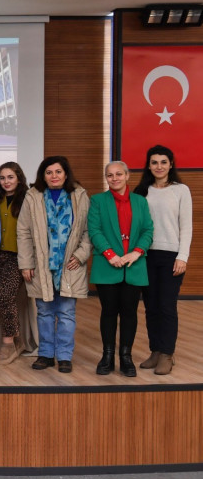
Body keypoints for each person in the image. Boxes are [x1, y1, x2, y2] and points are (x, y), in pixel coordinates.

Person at [17, 156, 91, 374]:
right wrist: (26, 263)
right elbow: (23, 232)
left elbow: (88, 230)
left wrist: (81, 255)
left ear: (66, 174)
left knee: (67, 313)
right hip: (41, 264)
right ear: (43, 175)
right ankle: (46, 354)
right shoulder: (33, 196)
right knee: (44, 311)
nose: (54, 176)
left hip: (70, 264)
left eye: (58, 172)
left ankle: (65, 356)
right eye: (49, 172)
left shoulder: (79, 195)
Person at [88, 161, 153, 377]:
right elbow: (94, 230)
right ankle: (107, 356)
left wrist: (137, 251)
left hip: (134, 265)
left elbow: (148, 230)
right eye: (109, 175)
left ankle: (126, 356)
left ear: (127, 176)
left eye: (118, 174)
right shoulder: (97, 201)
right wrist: (110, 255)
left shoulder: (140, 201)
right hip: (108, 265)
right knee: (108, 312)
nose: (114, 178)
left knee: (129, 313)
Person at [133, 145, 192, 375]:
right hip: (145, 255)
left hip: (171, 257)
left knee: (167, 306)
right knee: (150, 307)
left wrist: (183, 257)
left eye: (163, 162)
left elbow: (186, 226)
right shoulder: (141, 191)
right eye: (154, 162)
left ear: (171, 164)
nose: (159, 166)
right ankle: (155, 350)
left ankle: (167, 353)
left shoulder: (181, 190)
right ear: (148, 165)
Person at [0, 162, 29, 366]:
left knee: (6, 295)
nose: (6, 181)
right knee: (2, 299)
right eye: (2, 177)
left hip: (18, 257)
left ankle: (8, 344)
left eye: (10, 177)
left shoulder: (28, 200)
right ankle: (17, 340)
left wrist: (29, 262)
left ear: (19, 178)